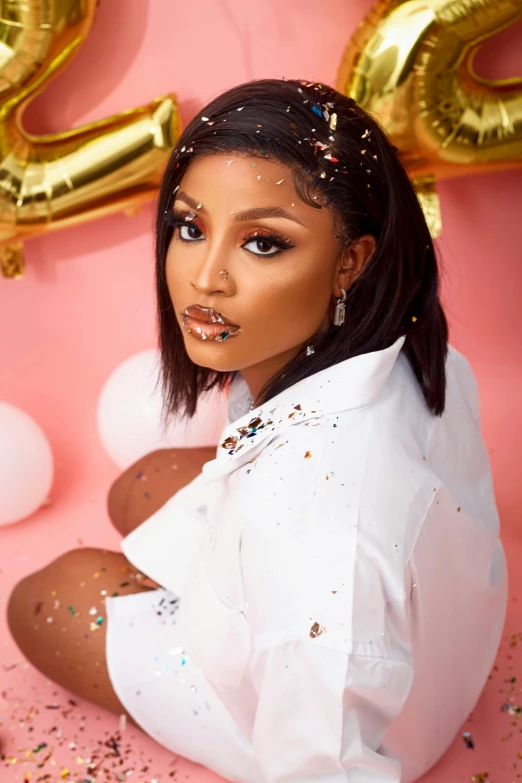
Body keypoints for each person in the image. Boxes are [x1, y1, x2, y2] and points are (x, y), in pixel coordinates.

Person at [7, 78, 508, 783]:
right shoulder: (411, 339)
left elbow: (325, 763)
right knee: (140, 485)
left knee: (43, 599)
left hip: (369, 713)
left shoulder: (324, 542)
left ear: (350, 260)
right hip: (448, 638)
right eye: (190, 227)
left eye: (264, 243)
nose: (204, 278)